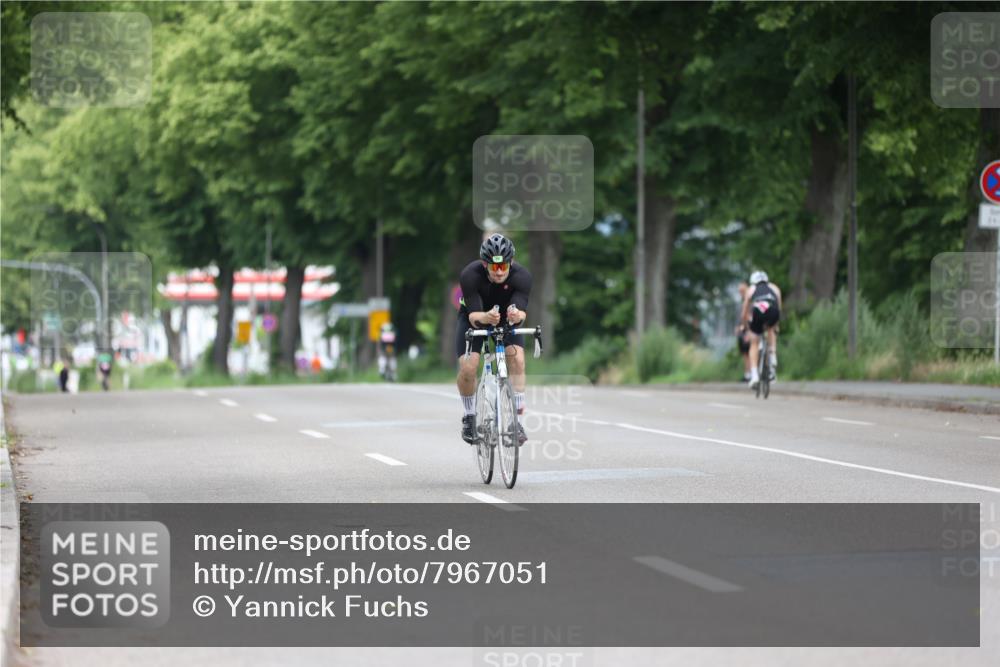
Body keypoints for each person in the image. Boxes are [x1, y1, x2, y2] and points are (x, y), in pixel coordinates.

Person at [456, 233, 532, 445]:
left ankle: (515, 422)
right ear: (484, 264)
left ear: (511, 263)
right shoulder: (470, 275)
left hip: (506, 318)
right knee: (469, 366)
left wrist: (517, 315)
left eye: (504, 267)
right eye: (494, 267)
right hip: (475, 317)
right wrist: (486, 317)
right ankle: (470, 417)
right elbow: (473, 316)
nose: (499, 272)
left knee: (516, 360)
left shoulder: (522, 276)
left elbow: (522, 312)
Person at [740, 270, 781, 390]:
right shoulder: (774, 287)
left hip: (758, 311)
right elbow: (779, 307)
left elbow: (744, 312)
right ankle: (773, 355)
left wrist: (745, 326)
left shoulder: (751, 289)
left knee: (754, 342)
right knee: (771, 329)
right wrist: (776, 324)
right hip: (773, 310)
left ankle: (754, 376)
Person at [735, 282, 752, 382]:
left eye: (742, 291)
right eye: (739, 292)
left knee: (751, 351)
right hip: (743, 330)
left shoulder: (751, 301)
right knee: (745, 353)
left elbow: (750, 317)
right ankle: (747, 374)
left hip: (750, 330)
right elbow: (741, 317)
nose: (741, 293)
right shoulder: (742, 302)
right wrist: (738, 327)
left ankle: (752, 374)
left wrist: (748, 330)